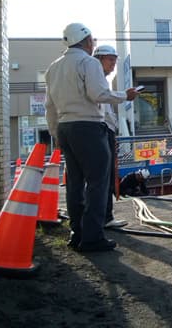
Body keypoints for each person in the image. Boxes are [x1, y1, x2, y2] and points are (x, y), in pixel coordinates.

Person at [45, 23, 139, 252]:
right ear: (87, 41)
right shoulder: (88, 62)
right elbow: (98, 94)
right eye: (92, 41)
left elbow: (49, 106)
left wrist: (55, 133)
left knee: (75, 183)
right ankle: (92, 237)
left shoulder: (53, 68)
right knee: (98, 182)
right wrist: (124, 96)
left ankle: (76, 233)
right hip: (88, 127)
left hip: (65, 127)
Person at [93, 44, 128, 229]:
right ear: (99, 59)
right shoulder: (96, 78)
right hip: (101, 130)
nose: (113, 64)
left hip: (101, 129)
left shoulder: (99, 79)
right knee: (104, 176)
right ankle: (104, 218)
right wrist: (125, 95)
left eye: (115, 61)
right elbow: (104, 101)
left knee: (100, 177)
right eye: (110, 60)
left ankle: (101, 218)